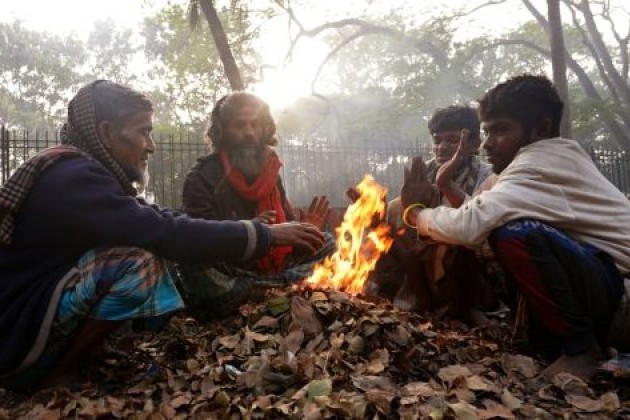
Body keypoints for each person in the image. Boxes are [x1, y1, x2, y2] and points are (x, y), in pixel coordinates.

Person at [0, 81, 325, 390]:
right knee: (140, 262)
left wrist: (285, 230)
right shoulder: (75, 178)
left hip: (31, 317)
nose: (152, 146)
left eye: (257, 125)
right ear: (107, 133)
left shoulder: (84, 173)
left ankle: (82, 355)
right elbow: (165, 230)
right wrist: (262, 234)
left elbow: (159, 218)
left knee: (327, 243)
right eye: (144, 132)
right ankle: (54, 373)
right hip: (16, 338)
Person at [401, 74, 630, 380]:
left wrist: (415, 213)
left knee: (515, 234)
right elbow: (479, 208)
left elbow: (471, 224)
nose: (487, 144)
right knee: (498, 230)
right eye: (486, 132)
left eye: (501, 131)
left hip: (620, 298)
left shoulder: (537, 166)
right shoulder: (535, 162)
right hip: (603, 290)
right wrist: (445, 186)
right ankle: (556, 341)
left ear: (541, 128)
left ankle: (581, 351)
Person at [179, 93, 335, 316]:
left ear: (265, 130)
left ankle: (266, 289)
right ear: (222, 131)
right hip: (231, 271)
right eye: (240, 125)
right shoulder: (201, 177)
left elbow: (285, 230)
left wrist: (307, 228)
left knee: (327, 242)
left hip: (270, 271)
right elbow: (200, 238)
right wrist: (251, 231)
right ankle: (283, 289)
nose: (249, 133)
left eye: (255, 125)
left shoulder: (271, 172)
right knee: (190, 259)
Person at [366, 105, 497, 324]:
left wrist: (427, 207)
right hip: (420, 268)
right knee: (393, 212)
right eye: (437, 141)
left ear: (475, 144)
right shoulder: (422, 174)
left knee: (457, 231)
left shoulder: (488, 177)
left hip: (474, 270)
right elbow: (403, 221)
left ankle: (465, 308)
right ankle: (417, 296)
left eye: (453, 140)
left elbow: (475, 226)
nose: (442, 147)